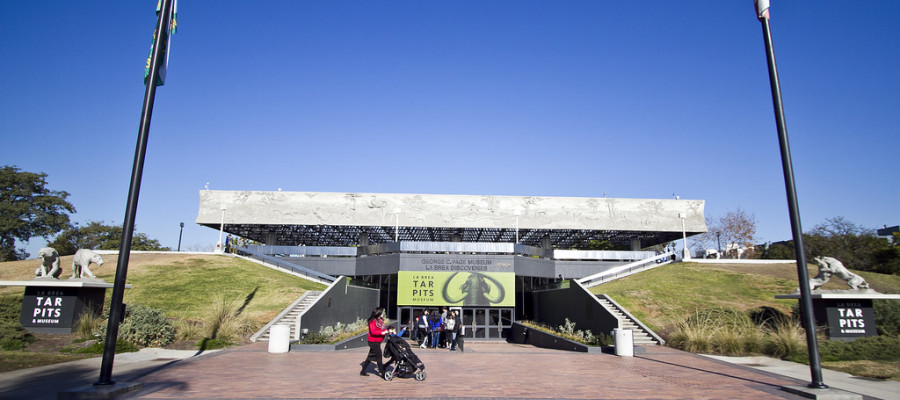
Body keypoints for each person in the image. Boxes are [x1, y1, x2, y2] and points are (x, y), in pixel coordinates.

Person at [360, 307, 393, 377]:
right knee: (379, 357)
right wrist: (382, 332)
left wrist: (387, 331)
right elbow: (373, 331)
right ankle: (383, 373)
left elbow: (383, 329)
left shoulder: (381, 320)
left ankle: (363, 371)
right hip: (373, 341)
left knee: (370, 357)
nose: (383, 314)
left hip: (378, 341)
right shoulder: (372, 321)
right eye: (382, 312)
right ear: (378, 313)